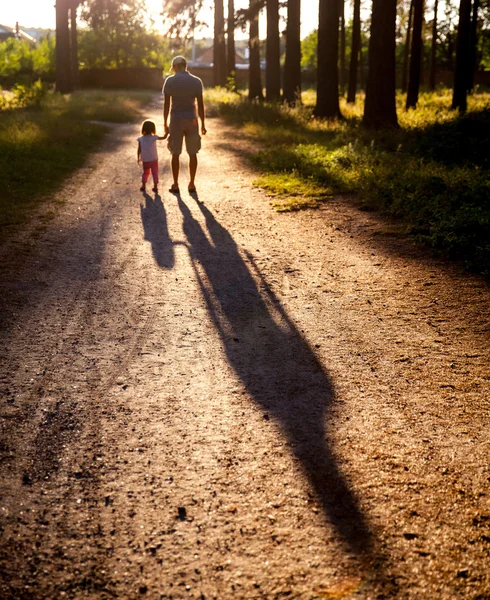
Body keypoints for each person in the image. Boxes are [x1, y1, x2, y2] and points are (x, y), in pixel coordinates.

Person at [163, 55, 207, 194]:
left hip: (176, 120)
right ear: (186, 66)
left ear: (175, 67)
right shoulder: (196, 81)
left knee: (175, 153)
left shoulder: (170, 81)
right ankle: (192, 184)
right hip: (192, 121)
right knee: (193, 153)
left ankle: (175, 185)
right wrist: (203, 124)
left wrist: (165, 122)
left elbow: (166, 105)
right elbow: (200, 105)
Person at [137, 119, 165, 193]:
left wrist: (138, 158)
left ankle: (143, 185)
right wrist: (167, 132)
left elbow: (139, 149)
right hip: (154, 159)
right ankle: (155, 187)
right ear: (153, 129)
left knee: (145, 172)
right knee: (155, 173)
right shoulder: (154, 137)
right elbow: (163, 137)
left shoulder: (141, 139)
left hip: (145, 160)